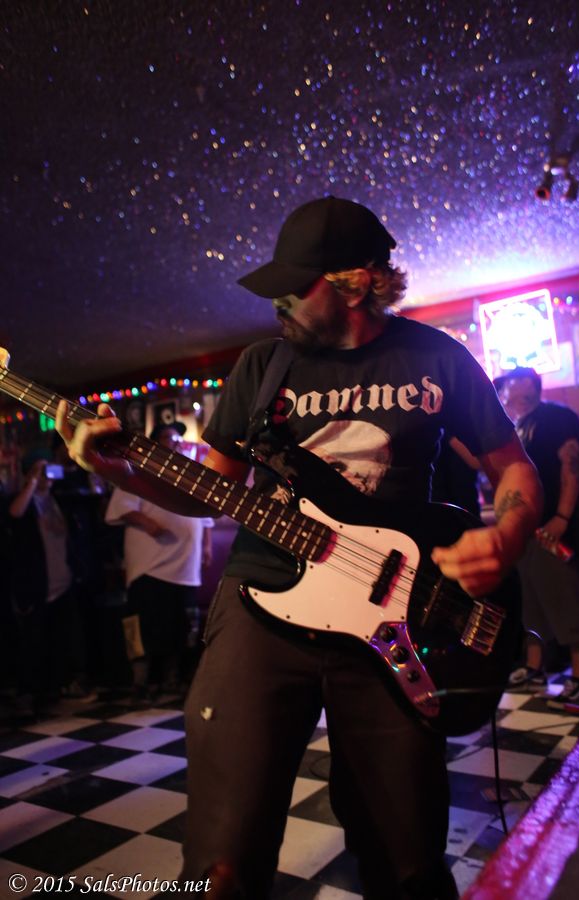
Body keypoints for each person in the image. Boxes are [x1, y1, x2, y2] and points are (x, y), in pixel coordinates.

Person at [56, 196, 542, 899]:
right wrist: (118, 471)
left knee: (405, 859)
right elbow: (211, 490)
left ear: (357, 282)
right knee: (222, 861)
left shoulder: (438, 357)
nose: (277, 300)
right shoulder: (262, 366)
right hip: (262, 604)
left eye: (295, 284)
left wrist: (507, 534)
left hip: (395, 616)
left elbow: (514, 468)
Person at [498, 367, 579, 706]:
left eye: (516, 386)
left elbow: (572, 465)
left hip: (552, 529)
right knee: (532, 602)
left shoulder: (556, 416)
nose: (510, 393)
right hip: (525, 530)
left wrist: (561, 517)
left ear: (531, 387)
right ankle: (534, 668)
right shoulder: (517, 425)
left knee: (568, 601)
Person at [104, 421, 213, 698]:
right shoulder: (137, 469)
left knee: (181, 626)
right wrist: (148, 523)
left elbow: (206, 516)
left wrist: (206, 545)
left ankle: (172, 679)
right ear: (153, 443)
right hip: (150, 566)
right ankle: (141, 682)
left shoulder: (188, 474)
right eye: (167, 438)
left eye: (177, 439)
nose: (174, 443)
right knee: (145, 625)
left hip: (185, 567)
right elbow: (122, 508)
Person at [7, 449, 93, 716]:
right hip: (36, 585)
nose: (48, 476)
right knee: (33, 642)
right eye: (42, 471)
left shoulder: (59, 499)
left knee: (61, 640)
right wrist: (32, 480)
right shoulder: (23, 499)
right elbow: (14, 513)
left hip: (63, 581)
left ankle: (54, 690)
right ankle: (26, 695)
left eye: (49, 471)